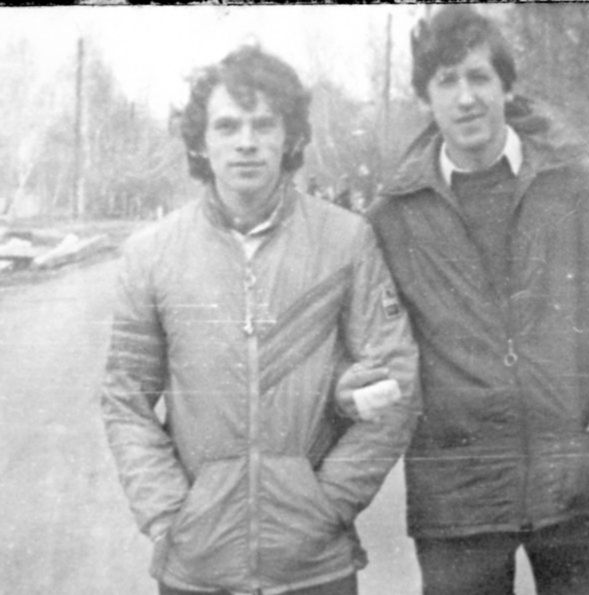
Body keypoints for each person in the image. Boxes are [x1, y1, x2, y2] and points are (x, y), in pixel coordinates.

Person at [100, 45, 420, 595]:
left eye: (263, 124)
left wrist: (329, 502)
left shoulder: (345, 239)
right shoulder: (151, 254)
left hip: (314, 565)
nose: (246, 142)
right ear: (201, 141)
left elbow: (396, 382)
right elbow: (125, 399)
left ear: (289, 136)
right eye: (227, 126)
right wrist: (168, 515)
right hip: (197, 567)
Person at [367, 6, 589, 595]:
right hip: (458, 499)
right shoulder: (393, 216)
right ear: (425, 97)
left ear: (507, 86)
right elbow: (380, 345)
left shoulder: (582, 185)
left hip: (578, 482)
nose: (466, 98)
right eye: (447, 81)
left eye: (480, 77)